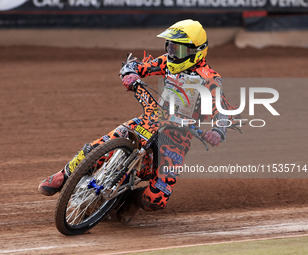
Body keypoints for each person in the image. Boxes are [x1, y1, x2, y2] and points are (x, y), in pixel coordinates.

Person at [38, 19, 231, 223]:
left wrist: (218, 131)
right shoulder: (167, 62)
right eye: (170, 47)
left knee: (156, 200)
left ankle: (131, 200)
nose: (173, 54)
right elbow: (139, 66)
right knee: (104, 144)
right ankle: (64, 175)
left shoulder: (210, 79)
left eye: (179, 50)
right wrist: (130, 72)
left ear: (196, 51)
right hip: (152, 118)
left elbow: (224, 111)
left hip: (178, 137)